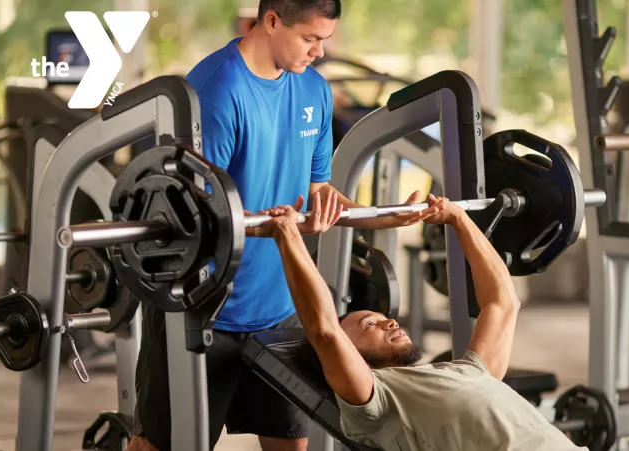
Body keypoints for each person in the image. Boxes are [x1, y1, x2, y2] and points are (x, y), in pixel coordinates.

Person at [127, 1, 438, 451]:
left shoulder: (313, 90)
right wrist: (281, 229)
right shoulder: (216, 91)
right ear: (270, 21)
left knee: (290, 444)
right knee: (163, 446)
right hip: (205, 307)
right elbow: (193, 220)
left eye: (324, 40)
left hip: (280, 309)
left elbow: (317, 194)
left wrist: (389, 215)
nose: (320, 53)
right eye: (310, 39)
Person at [257, 194, 588, 451]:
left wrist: (458, 219)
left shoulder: (469, 369)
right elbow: (325, 331)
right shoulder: (376, 403)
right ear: (348, 356)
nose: (388, 322)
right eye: (367, 325)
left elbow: (503, 303)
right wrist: (288, 235)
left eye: (382, 318)